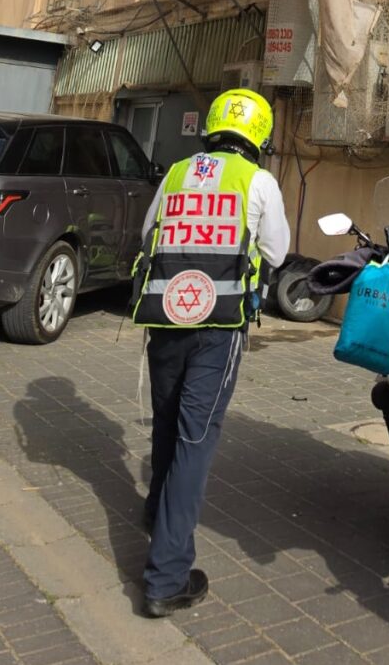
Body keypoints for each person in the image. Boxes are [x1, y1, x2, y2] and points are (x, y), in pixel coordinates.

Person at [130, 88, 289, 617]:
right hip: (219, 327)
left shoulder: (176, 173)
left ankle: (157, 511)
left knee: (166, 418)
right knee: (195, 439)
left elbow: (149, 232)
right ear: (259, 137)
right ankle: (166, 577)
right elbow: (276, 251)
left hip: (166, 316)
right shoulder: (258, 181)